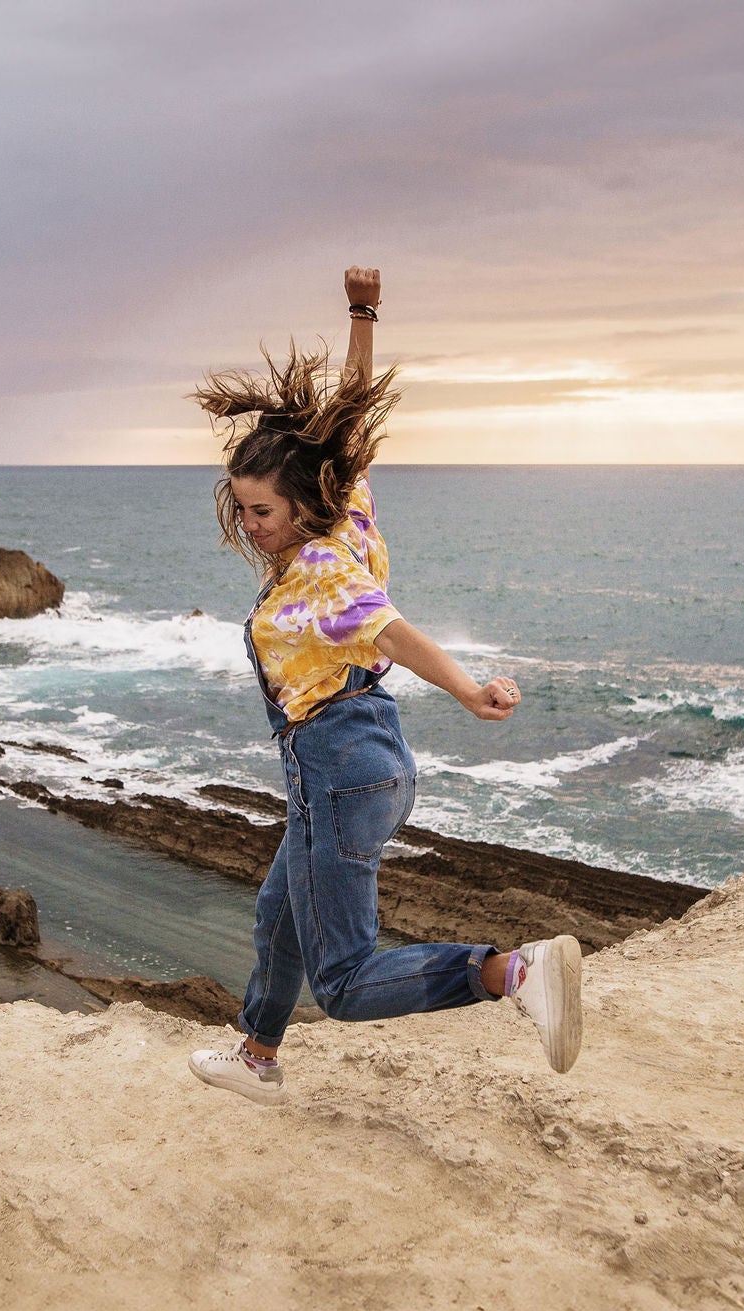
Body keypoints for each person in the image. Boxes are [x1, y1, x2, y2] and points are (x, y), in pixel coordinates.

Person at [184, 266, 583, 1107]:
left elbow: (391, 630)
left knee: (345, 979)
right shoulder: (347, 513)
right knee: (278, 912)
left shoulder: (324, 572)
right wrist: (362, 315)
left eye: (262, 511)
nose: (250, 526)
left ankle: (512, 971)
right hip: (358, 762)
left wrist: (472, 692)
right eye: (242, 508)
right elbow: (352, 418)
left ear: (299, 503)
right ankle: (258, 1055)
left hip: (338, 768)